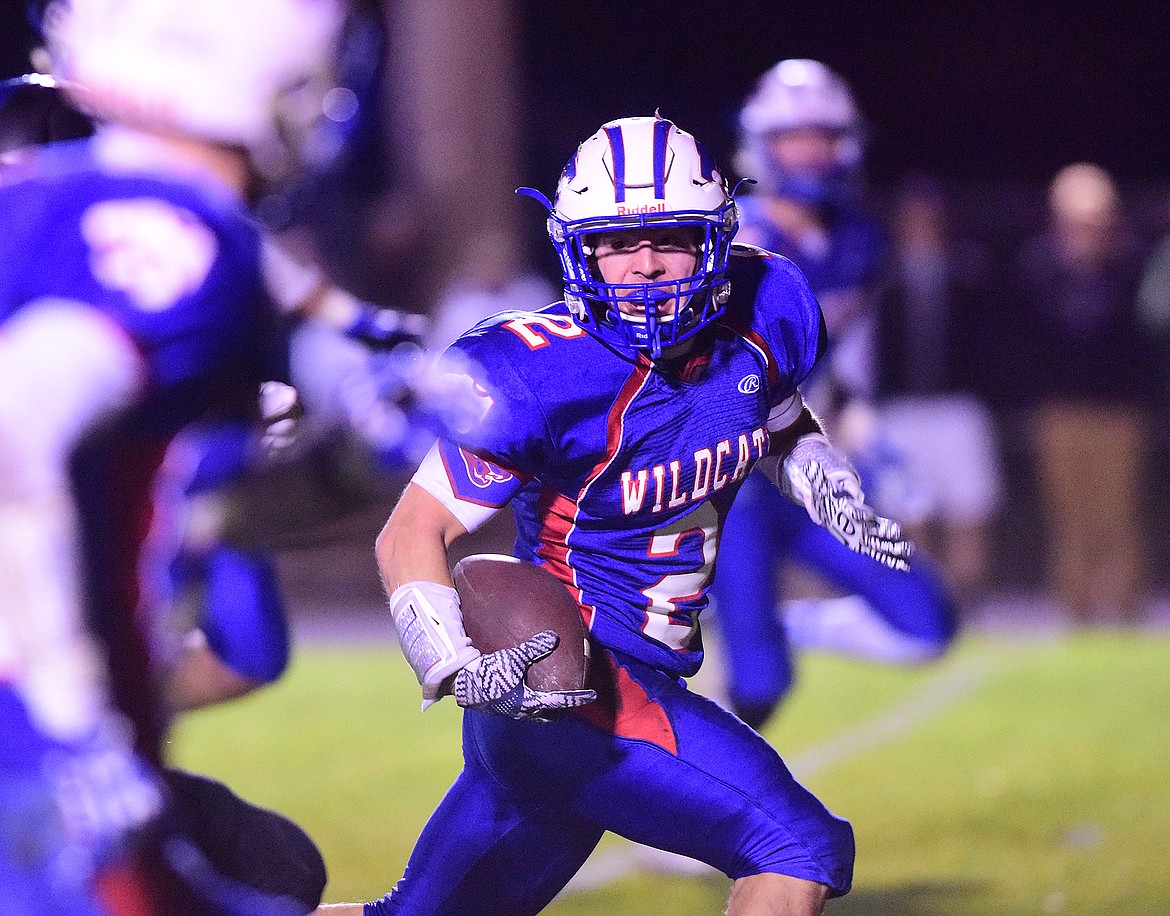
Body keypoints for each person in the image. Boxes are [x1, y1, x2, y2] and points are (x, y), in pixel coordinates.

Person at [318, 115, 911, 916]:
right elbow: (412, 532)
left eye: (668, 238)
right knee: (796, 845)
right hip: (569, 688)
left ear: (715, 239)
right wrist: (455, 666)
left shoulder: (768, 304)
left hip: (597, 699)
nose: (645, 268)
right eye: (616, 244)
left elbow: (771, 415)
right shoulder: (539, 372)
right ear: (576, 250)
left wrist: (821, 479)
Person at [0, 0, 375, 910]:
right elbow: (15, 431)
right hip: (31, 752)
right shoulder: (169, 230)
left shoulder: (51, 203)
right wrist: (65, 725)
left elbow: (171, 495)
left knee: (266, 872)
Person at [709, 60, 956, 730]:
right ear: (763, 143)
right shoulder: (732, 242)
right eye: (795, 136)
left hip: (808, 470)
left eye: (823, 134)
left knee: (927, 622)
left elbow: (839, 368)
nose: (811, 151)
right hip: (730, 482)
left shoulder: (856, 240)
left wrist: (869, 437)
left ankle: (791, 623)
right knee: (759, 687)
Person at [1013, 162, 1158, 626]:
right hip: (1059, 410)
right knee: (1069, 516)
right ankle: (1077, 611)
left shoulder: (1131, 262)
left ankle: (1123, 610)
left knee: (1117, 513)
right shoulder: (1039, 265)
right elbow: (1034, 334)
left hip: (1118, 409)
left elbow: (1140, 331)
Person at [871, 175, 1005, 608]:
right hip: (901, 411)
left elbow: (994, 345)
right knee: (907, 513)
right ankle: (921, 603)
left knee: (970, 506)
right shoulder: (881, 279)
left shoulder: (970, 274)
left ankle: (968, 600)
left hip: (957, 408)